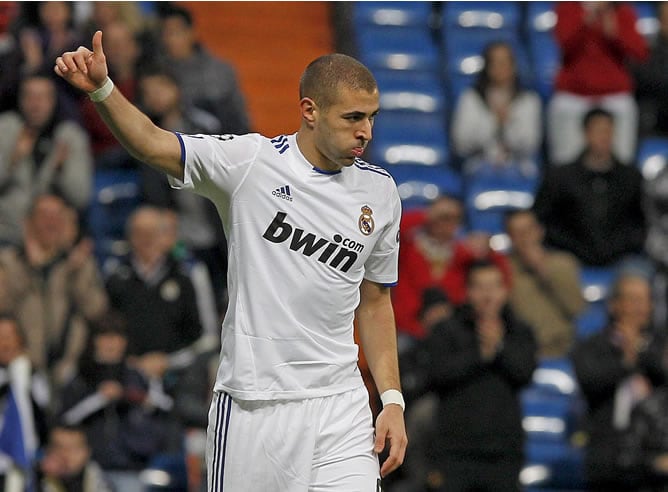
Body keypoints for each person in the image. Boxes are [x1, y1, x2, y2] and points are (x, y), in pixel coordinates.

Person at [54, 31, 407, 490]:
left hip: (338, 406)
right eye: (353, 117)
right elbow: (152, 143)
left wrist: (393, 400)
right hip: (252, 408)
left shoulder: (380, 193)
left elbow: (375, 302)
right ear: (310, 112)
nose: (366, 132)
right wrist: (103, 89)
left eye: (372, 118)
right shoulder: (250, 164)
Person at [422, 260, 537, 492]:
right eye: (480, 287)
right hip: (454, 451)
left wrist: (499, 349)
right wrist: (480, 354)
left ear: (505, 291)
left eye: (494, 287)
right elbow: (437, 374)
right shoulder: (447, 330)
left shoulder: (519, 331)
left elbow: (525, 373)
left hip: (504, 451)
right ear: (467, 291)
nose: (487, 295)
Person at [0, 194, 109, 386]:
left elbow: (96, 311)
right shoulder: (9, 262)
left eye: (57, 216)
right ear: (29, 222)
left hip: (69, 369)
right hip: (20, 370)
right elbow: (3, 306)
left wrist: (76, 275)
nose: (51, 222)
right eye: (44, 215)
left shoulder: (79, 263)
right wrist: (31, 268)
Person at [58, 311, 174, 492]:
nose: (111, 343)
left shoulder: (136, 374)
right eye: (105, 337)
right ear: (94, 340)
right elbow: (66, 418)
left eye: (117, 337)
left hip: (131, 466)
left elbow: (164, 405)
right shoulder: (80, 375)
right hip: (90, 468)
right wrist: (100, 398)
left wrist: (130, 395)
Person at [572, 273, 667, 491]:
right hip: (607, 458)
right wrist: (627, 361)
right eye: (632, 300)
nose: (639, 307)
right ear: (614, 305)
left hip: (654, 464)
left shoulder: (660, 348)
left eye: (645, 300)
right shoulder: (593, 346)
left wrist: (641, 352)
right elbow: (591, 380)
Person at [533, 108, 647, 267]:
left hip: (622, 259)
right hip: (568, 257)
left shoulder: (631, 177)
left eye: (608, 131)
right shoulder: (560, 177)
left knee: (636, 282)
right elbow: (543, 221)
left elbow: (640, 223)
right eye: (598, 131)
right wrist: (572, 248)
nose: (604, 137)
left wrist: (619, 247)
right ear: (585, 133)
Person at [105, 206, 203, 383]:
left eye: (152, 233)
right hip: (128, 371)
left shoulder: (184, 275)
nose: (146, 239)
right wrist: (131, 361)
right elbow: (109, 327)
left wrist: (167, 361)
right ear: (130, 236)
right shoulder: (116, 277)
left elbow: (197, 332)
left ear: (163, 236)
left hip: (178, 370)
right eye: (140, 233)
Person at [393, 194, 512, 341]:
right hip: (406, 331)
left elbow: (504, 278)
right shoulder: (407, 248)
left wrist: (489, 249)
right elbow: (391, 230)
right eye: (442, 217)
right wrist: (425, 215)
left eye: (453, 218)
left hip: (453, 335)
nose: (445, 223)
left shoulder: (463, 254)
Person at [548, 1, 648, 165]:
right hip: (573, 96)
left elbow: (639, 52)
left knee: (622, 162)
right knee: (565, 162)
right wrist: (587, 19)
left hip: (615, 96)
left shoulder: (621, 11)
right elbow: (564, 43)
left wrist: (615, 32)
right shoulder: (568, 7)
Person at [0, 73, 93, 246]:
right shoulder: (5, 129)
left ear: (53, 101)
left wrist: (59, 170)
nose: (35, 104)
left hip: (53, 240)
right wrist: (12, 161)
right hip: (7, 234)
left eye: (42, 97)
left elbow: (80, 197)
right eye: (29, 97)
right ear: (20, 100)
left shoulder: (70, 137)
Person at [451, 41, 542, 177]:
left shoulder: (529, 100)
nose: (501, 67)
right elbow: (461, 143)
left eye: (505, 62)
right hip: (479, 167)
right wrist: (493, 122)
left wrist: (507, 124)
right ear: (487, 66)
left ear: (514, 65)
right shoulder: (471, 98)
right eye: (495, 62)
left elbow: (531, 144)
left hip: (519, 169)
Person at [156, 3, 250, 135]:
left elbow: (239, 119)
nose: (170, 40)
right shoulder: (155, 72)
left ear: (191, 33)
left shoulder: (219, 71)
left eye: (175, 32)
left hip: (216, 144)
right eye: (165, 33)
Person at [505, 208, 585, 358]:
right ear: (510, 238)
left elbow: (577, 308)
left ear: (540, 231)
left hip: (563, 347)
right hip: (521, 350)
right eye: (517, 233)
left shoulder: (564, 263)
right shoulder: (503, 269)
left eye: (528, 230)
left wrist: (544, 270)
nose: (524, 238)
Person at [0, 313, 50, 491]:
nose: (4, 344)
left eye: (8, 337)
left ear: (19, 340)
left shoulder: (33, 376)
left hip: (23, 463)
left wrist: (21, 381)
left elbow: (42, 418)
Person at [38, 425, 114, 492]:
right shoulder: (36, 480)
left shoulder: (99, 478)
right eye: (59, 447)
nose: (65, 454)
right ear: (49, 450)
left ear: (86, 452)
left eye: (73, 448)